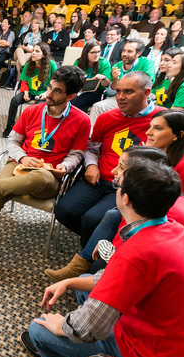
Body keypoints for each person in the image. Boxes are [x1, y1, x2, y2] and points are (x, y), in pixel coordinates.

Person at [26, 158, 184, 357]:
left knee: (39, 329)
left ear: (125, 199)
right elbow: (119, 276)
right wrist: (72, 281)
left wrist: (62, 325)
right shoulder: (172, 229)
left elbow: (86, 330)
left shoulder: (137, 252)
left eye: (119, 185)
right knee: (86, 281)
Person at [45, 147, 184, 332]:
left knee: (92, 292)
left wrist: (70, 324)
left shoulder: (151, 221)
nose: (113, 172)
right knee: (92, 279)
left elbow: (123, 271)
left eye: (120, 167)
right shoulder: (166, 205)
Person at [0, 66, 90, 287]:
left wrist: (64, 166)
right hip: (19, 163)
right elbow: (13, 141)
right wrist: (23, 158)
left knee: (40, 179)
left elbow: (77, 154)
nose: (48, 94)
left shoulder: (81, 120)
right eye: (49, 87)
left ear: (71, 96)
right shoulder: (31, 111)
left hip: (48, 173)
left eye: (57, 91)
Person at [54, 71, 162, 247]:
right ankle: (100, 244)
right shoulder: (107, 117)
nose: (120, 97)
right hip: (99, 179)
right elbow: (92, 148)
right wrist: (90, 165)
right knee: (64, 211)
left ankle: (90, 258)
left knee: (93, 218)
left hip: (129, 186)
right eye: (118, 91)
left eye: (128, 92)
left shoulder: (162, 119)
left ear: (146, 93)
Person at [84, 39, 156, 120]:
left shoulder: (146, 63)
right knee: (98, 107)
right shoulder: (117, 66)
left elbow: (145, 84)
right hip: (118, 98)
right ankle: (94, 133)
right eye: (124, 51)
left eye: (129, 51)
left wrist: (123, 83)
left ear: (138, 53)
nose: (125, 54)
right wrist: (115, 80)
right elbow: (111, 92)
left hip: (137, 98)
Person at [2, 42, 58, 137]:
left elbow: (56, 82)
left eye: (37, 51)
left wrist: (47, 93)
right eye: (33, 51)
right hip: (31, 91)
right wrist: (25, 92)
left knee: (36, 108)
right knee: (14, 101)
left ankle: (30, 131)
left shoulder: (51, 64)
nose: (33, 53)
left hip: (45, 93)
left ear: (44, 54)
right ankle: (10, 126)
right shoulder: (29, 65)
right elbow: (24, 81)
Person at [70, 41, 112, 113]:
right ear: (86, 53)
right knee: (75, 101)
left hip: (95, 92)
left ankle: (68, 112)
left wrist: (103, 78)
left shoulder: (104, 63)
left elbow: (106, 84)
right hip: (79, 90)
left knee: (77, 102)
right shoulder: (78, 62)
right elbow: (73, 79)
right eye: (93, 52)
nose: (97, 55)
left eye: (99, 52)